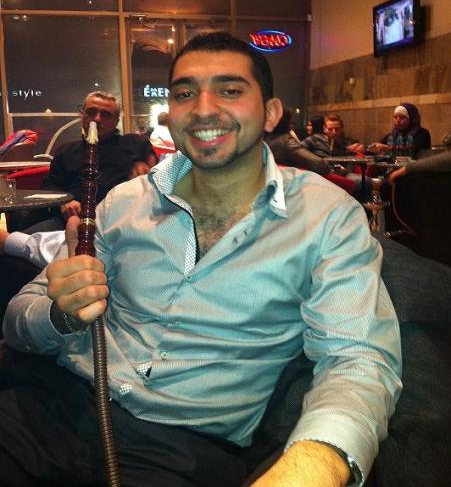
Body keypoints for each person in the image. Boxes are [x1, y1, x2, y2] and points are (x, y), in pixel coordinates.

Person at [1, 32, 401, 487]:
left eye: (230, 90)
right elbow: (18, 319)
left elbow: (357, 359)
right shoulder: (123, 202)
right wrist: (59, 315)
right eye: (185, 93)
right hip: (50, 406)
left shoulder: (327, 217)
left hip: (181, 451)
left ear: (271, 113)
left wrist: (316, 464)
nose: (204, 109)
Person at [28, 91, 158, 232]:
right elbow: (50, 185)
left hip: (120, 222)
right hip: (71, 221)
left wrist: (146, 171)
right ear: (82, 115)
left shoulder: (135, 144)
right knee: (17, 241)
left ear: (116, 121)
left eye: (106, 115)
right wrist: (64, 201)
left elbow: (158, 176)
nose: (96, 119)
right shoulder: (66, 151)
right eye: (91, 112)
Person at [264, 109, 330, 175]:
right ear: (286, 123)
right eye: (291, 122)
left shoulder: (262, 140)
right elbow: (320, 165)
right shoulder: (286, 141)